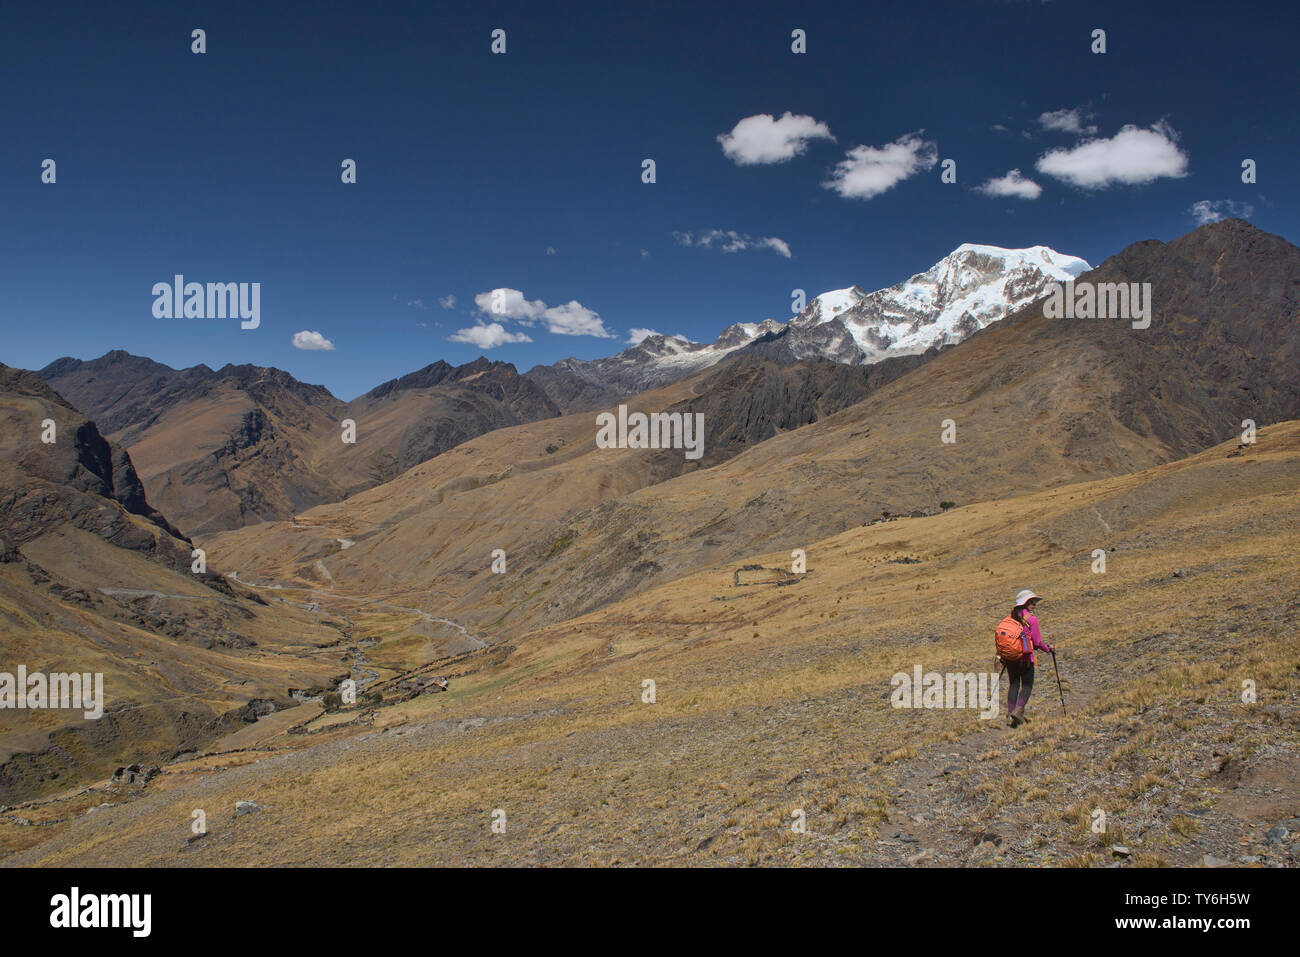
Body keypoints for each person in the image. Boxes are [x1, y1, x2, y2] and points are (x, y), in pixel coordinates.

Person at [1005, 589, 1053, 727]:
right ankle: (1018, 711)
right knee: (1027, 685)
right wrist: (1048, 649)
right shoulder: (1031, 619)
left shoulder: (1011, 618)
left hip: (1010, 658)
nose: (1034, 605)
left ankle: (1010, 715)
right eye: (1031, 602)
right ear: (1025, 603)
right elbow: (1037, 643)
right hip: (1025, 658)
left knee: (1014, 684)